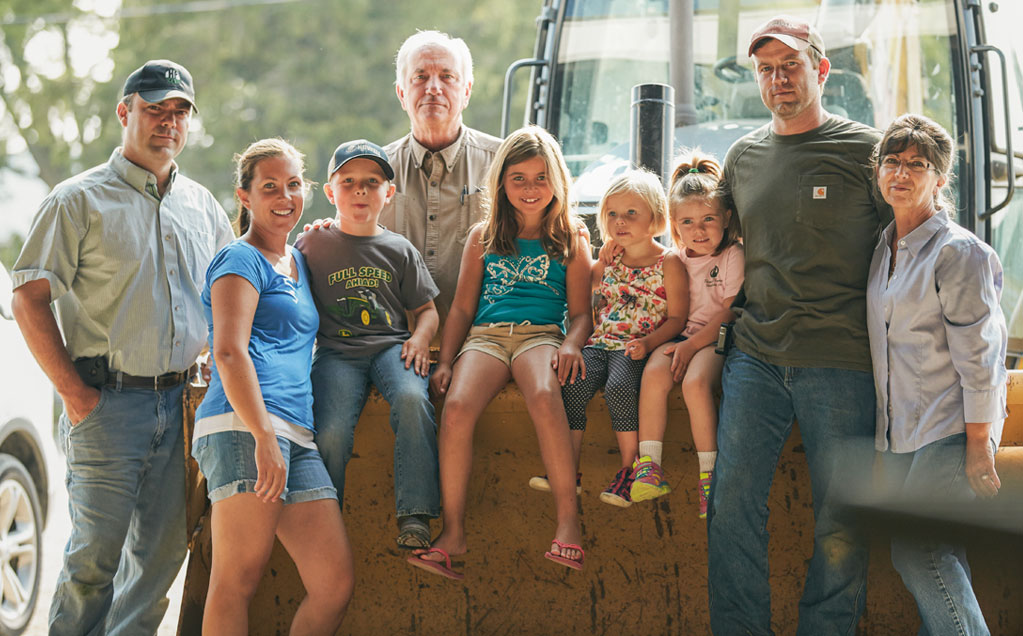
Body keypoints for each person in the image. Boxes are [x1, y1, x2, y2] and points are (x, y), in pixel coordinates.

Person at [10, 59, 233, 634]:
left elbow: (232, 291)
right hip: (106, 406)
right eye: (155, 108)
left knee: (158, 563)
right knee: (93, 565)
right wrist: (76, 394)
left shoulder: (203, 206)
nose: (168, 121)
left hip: (182, 404)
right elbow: (28, 299)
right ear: (124, 112)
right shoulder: (76, 201)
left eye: (179, 111)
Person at [706, 16, 891, 634]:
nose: (778, 78)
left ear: (821, 70)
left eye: (791, 65)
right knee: (730, 505)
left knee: (842, 519)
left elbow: (922, 242)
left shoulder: (869, 152)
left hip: (843, 359)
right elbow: (705, 248)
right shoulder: (744, 156)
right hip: (754, 357)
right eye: (766, 68)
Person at [406, 126, 591, 578]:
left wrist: (570, 342)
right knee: (457, 407)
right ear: (501, 184)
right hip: (486, 337)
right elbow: (464, 308)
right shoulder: (483, 237)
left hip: (541, 333)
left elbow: (582, 314)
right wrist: (446, 359)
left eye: (541, 178)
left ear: (558, 182)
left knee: (546, 395)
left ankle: (568, 522)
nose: (530, 189)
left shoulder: (571, 237)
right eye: (519, 179)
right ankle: (453, 533)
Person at [193, 139, 353, 634]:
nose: (285, 197)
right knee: (236, 579)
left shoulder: (298, 260)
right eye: (269, 188)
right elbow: (228, 351)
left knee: (333, 582)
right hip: (246, 428)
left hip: (296, 433)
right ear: (244, 197)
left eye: (292, 185)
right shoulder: (240, 260)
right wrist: (263, 436)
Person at [867, 114, 1006, 635]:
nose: (901, 174)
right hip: (904, 431)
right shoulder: (884, 249)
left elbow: (982, 356)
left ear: (940, 179)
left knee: (918, 546)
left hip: (952, 427)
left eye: (917, 165)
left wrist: (977, 445)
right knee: (938, 553)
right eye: (892, 162)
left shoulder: (957, 251)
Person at [296, 140, 441, 549]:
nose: (360, 191)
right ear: (330, 191)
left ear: (388, 192)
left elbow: (428, 310)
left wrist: (420, 338)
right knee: (331, 434)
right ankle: (323, 520)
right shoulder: (311, 244)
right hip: (336, 353)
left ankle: (415, 514)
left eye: (372, 182)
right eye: (349, 182)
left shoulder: (399, 249)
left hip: (391, 347)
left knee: (414, 401)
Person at [557, 169, 687, 508]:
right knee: (573, 384)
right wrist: (599, 259)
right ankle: (567, 470)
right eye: (612, 214)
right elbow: (585, 295)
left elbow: (678, 318)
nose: (620, 221)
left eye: (631, 213)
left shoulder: (668, 261)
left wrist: (649, 343)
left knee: (619, 388)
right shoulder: (610, 260)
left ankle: (630, 470)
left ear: (656, 218)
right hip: (601, 343)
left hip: (638, 345)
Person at [630, 150, 744, 520]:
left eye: (709, 219)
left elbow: (728, 312)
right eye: (688, 222)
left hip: (719, 339)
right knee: (653, 373)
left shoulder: (732, 255)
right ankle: (648, 465)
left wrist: (692, 346)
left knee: (695, 383)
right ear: (675, 226)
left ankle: (710, 475)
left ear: (726, 218)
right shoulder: (676, 258)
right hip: (684, 339)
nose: (700, 230)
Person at [381, 30, 502, 326]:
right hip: (395, 347)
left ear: (467, 91)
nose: (433, 88)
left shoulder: (504, 164)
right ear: (401, 93)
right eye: (419, 77)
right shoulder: (374, 170)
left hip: (483, 349)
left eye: (447, 77)